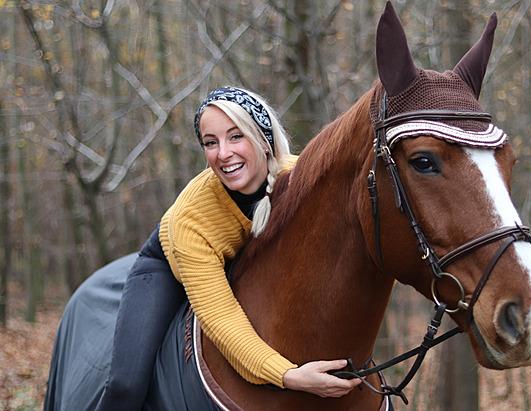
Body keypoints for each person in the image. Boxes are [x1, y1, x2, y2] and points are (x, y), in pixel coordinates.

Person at [95, 87, 360, 410]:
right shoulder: (191, 220)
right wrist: (289, 375)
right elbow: (222, 321)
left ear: (265, 140)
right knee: (126, 384)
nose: (223, 153)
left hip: (243, 261)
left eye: (236, 137)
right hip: (167, 268)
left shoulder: (300, 181)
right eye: (210, 142)